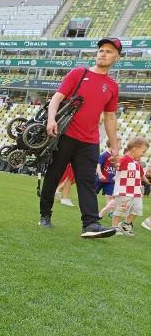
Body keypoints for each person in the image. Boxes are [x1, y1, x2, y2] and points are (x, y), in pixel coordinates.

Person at [38, 38, 123, 238]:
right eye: (101, 50)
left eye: (109, 51)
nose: (103, 54)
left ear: (117, 57)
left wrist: (114, 146)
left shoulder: (112, 86)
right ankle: (45, 215)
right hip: (64, 134)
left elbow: (110, 117)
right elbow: (57, 98)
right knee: (53, 175)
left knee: (86, 181)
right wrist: (51, 120)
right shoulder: (79, 73)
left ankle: (91, 224)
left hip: (90, 141)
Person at [112, 138, 149, 236]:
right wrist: (114, 162)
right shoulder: (125, 159)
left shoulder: (137, 163)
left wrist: (148, 182)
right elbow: (117, 165)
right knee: (120, 210)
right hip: (124, 191)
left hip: (136, 192)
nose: (143, 154)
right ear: (134, 149)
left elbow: (141, 174)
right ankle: (115, 227)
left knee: (138, 209)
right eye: (143, 151)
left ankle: (126, 224)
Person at [96, 138, 122, 218]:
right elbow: (98, 165)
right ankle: (87, 207)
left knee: (109, 196)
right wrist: (100, 174)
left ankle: (110, 211)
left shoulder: (115, 156)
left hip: (110, 180)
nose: (121, 146)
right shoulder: (105, 154)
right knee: (93, 193)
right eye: (120, 144)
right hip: (100, 179)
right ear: (113, 144)